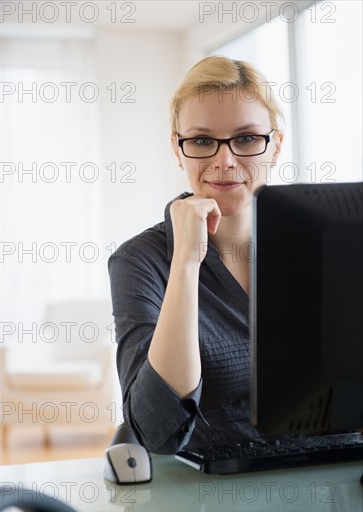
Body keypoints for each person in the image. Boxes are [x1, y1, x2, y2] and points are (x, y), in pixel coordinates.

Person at [108, 55, 284, 454]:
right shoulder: (140, 261)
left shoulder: (318, 243)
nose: (224, 161)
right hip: (215, 502)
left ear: (274, 146)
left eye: (246, 138)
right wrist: (186, 262)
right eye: (203, 141)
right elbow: (156, 430)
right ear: (178, 149)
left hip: (333, 488)